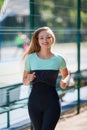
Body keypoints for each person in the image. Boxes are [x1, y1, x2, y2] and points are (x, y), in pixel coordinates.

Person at [22, 26, 70, 130]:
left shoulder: (59, 59)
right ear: (37, 40)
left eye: (48, 37)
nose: (45, 40)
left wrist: (64, 81)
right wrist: (28, 79)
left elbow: (66, 74)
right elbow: (24, 81)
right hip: (34, 103)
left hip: (52, 103)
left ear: (53, 39)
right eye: (42, 38)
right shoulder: (30, 58)